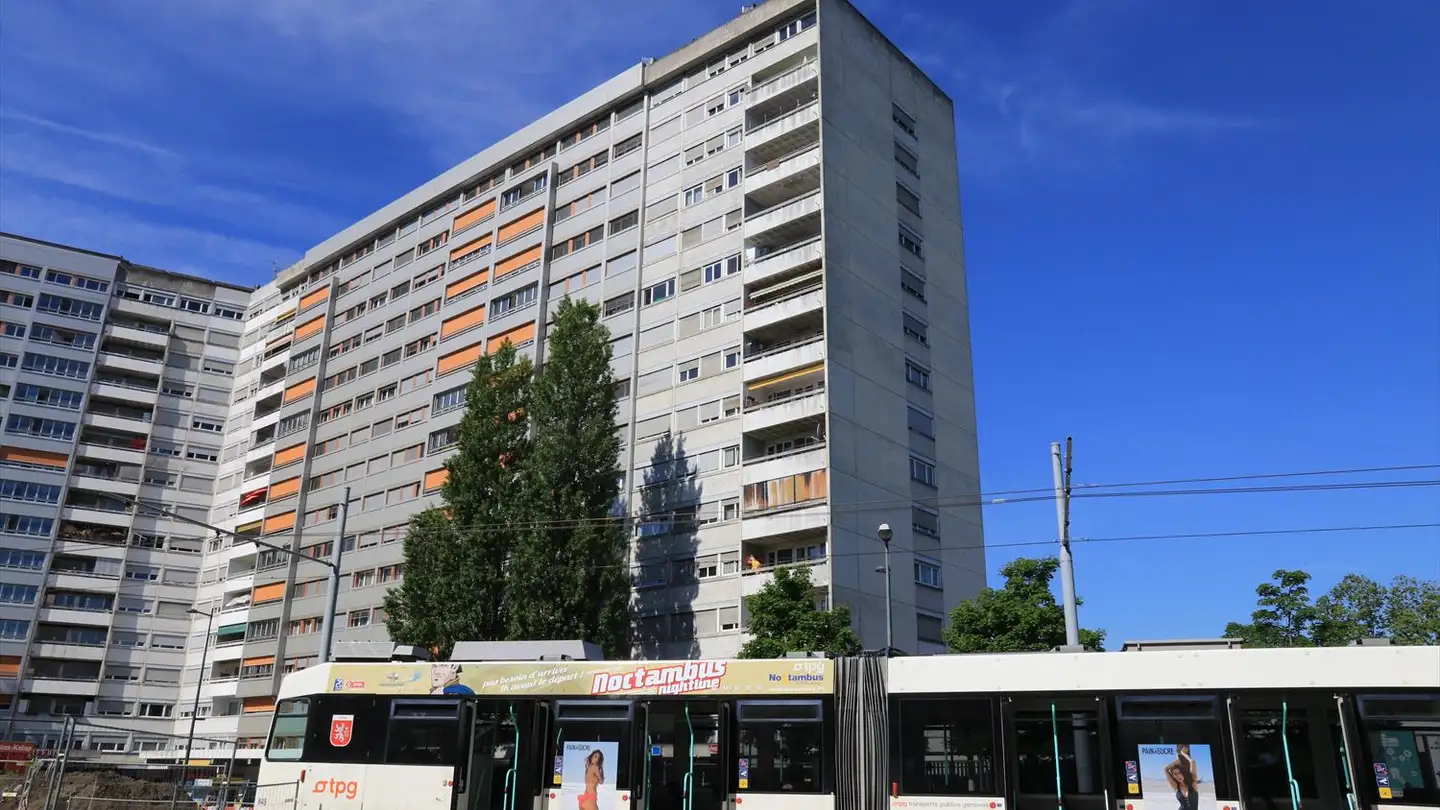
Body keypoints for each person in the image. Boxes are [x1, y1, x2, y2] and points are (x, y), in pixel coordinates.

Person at [1164, 744, 1201, 810]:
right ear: (1173, 776)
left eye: (1180, 773)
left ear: (1183, 773)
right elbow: (1166, 769)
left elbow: (1192, 762)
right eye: (1175, 774)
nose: (1178, 776)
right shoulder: (1176, 786)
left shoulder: (1193, 783)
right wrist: (1178, 760)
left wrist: (1183, 753)